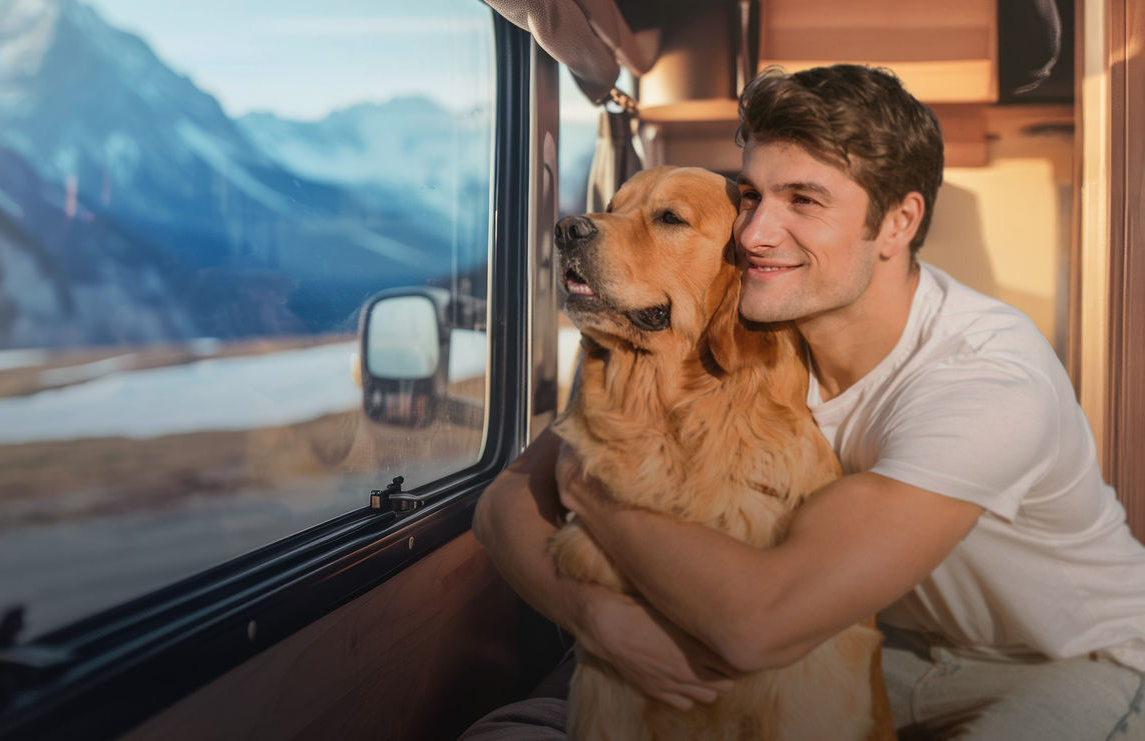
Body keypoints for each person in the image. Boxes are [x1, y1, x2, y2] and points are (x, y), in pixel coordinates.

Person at [464, 64, 1145, 739]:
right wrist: (593, 617)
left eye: (805, 201)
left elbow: (758, 621)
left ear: (899, 222)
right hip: (900, 639)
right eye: (753, 196)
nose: (754, 233)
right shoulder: (757, 324)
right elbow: (500, 506)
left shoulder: (983, 384)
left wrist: (589, 489)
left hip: (1069, 661)